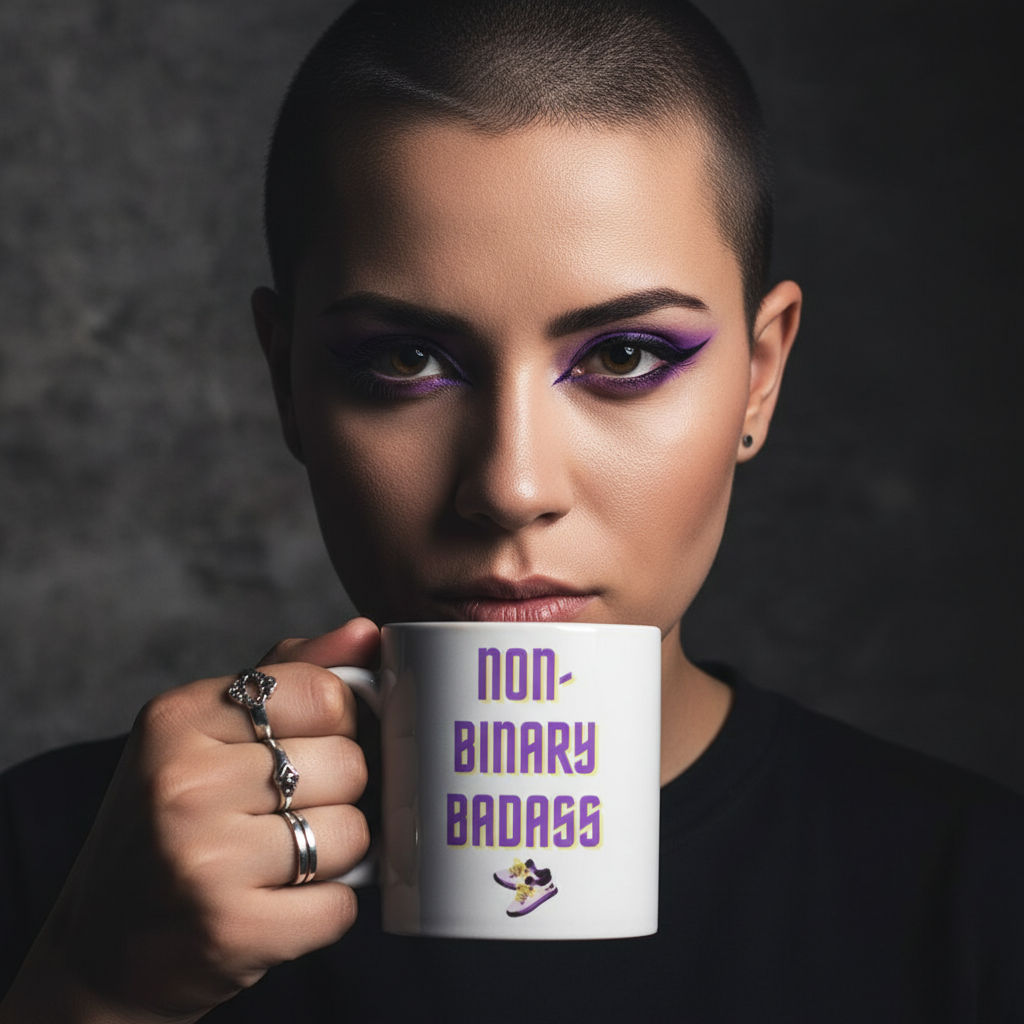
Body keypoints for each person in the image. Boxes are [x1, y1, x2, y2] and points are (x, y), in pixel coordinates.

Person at [1, 1, 1021, 1021]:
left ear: (759, 376)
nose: (510, 487)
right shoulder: (52, 870)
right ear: (287, 383)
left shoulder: (979, 899)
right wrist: (97, 991)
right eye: (405, 360)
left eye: (624, 357)